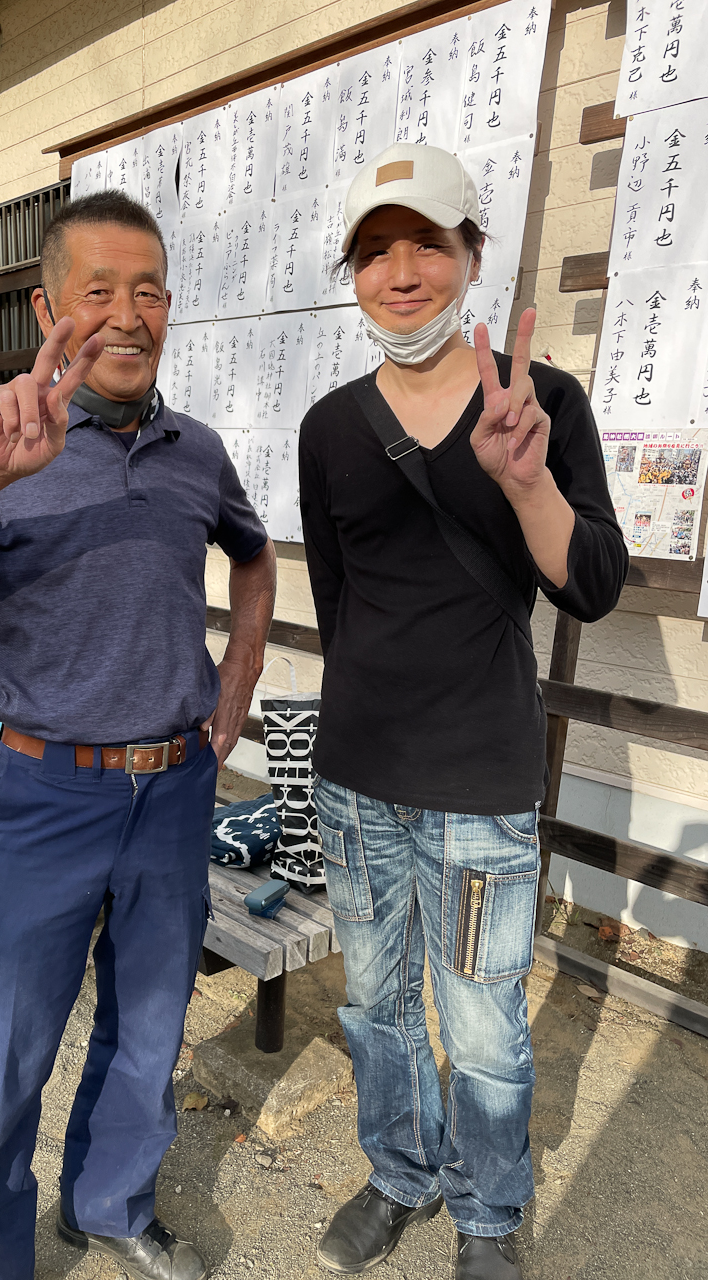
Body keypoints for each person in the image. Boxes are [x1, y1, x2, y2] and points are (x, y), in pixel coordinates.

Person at [0, 190, 276, 1280]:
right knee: (11, 1046)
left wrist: (239, 674)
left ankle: (112, 1203)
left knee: (151, 1023)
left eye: (149, 292)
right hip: (45, 793)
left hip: (174, 786)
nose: (127, 315)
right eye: (100, 292)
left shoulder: (196, 451)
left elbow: (254, 552)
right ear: (49, 311)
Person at [299, 145, 628, 1280]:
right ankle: (399, 1173)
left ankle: (489, 1211)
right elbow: (336, 599)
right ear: (354, 274)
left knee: (483, 1023)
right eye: (373, 252)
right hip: (356, 778)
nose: (400, 274)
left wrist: (526, 480)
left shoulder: (543, 405)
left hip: (482, 777)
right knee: (373, 1004)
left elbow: (591, 584)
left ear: (472, 255)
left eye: (427, 244)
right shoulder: (329, 427)